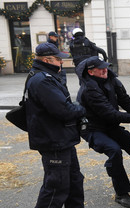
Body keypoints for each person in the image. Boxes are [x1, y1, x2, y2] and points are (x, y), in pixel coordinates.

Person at [75, 56, 130, 208]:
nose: (105, 70)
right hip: (93, 129)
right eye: (101, 68)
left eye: (105, 66)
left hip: (110, 126)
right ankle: (121, 194)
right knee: (114, 150)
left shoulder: (112, 80)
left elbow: (127, 102)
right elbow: (110, 114)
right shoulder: (88, 89)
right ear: (91, 72)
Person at [26, 42, 86, 207]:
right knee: (56, 187)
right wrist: (81, 109)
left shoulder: (47, 76)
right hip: (54, 141)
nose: (61, 62)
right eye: (59, 59)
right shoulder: (42, 80)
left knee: (74, 181)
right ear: (47, 59)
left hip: (61, 139)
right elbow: (63, 110)